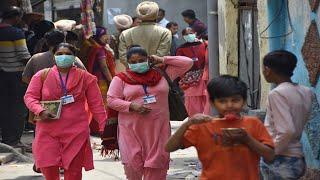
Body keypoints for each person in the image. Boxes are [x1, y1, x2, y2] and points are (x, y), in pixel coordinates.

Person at [107, 46, 193, 180]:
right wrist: (132, 106)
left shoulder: (162, 75)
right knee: (132, 165)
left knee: (157, 166)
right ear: (128, 63)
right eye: (133, 62)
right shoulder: (121, 79)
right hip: (130, 130)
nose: (138, 64)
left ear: (148, 59)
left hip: (158, 130)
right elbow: (111, 100)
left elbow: (188, 62)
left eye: (141, 60)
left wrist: (162, 59)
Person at [165, 75, 275, 179]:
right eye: (222, 101)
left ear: (244, 101)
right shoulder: (203, 126)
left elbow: (270, 156)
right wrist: (187, 124)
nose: (229, 105)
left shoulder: (253, 124)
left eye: (235, 100)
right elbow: (169, 148)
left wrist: (247, 139)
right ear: (213, 103)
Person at [24, 43, 107, 180]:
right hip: (47, 130)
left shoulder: (86, 77)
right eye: (59, 54)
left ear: (74, 57)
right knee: (48, 167)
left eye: (68, 54)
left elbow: (97, 105)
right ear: (54, 57)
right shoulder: (42, 75)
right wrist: (40, 110)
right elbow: (30, 97)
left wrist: (105, 128)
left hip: (76, 132)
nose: (64, 57)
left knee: (73, 172)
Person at [260, 50, 314, 179]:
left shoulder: (277, 93)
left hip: (282, 158)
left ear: (267, 70)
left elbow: (287, 130)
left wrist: (272, 152)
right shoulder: (306, 91)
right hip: (297, 157)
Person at [0, 6, 31, 147]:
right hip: (16, 75)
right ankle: (13, 140)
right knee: (18, 109)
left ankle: (6, 139)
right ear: (16, 17)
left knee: (4, 107)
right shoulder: (16, 32)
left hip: (2, 75)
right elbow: (23, 55)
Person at [119, 1, 172, 65]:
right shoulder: (165, 32)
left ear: (138, 14)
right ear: (156, 14)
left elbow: (123, 57)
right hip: (156, 72)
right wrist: (149, 67)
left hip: (132, 73)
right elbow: (162, 55)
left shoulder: (125, 33)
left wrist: (135, 67)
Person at [87, 26, 116, 134]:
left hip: (96, 79)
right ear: (98, 36)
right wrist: (112, 80)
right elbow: (104, 66)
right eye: (104, 35)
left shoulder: (95, 47)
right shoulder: (100, 50)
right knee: (102, 104)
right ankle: (101, 128)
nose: (106, 37)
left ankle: (96, 127)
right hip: (101, 81)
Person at [176, 28, 207, 116]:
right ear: (183, 37)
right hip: (188, 80)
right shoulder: (181, 49)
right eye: (186, 34)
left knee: (205, 98)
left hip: (203, 77)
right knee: (192, 102)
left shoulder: (203, 45)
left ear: (195, 33)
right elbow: (179, 65)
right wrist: (185, 78)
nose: (189, 35)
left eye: (191, 33)